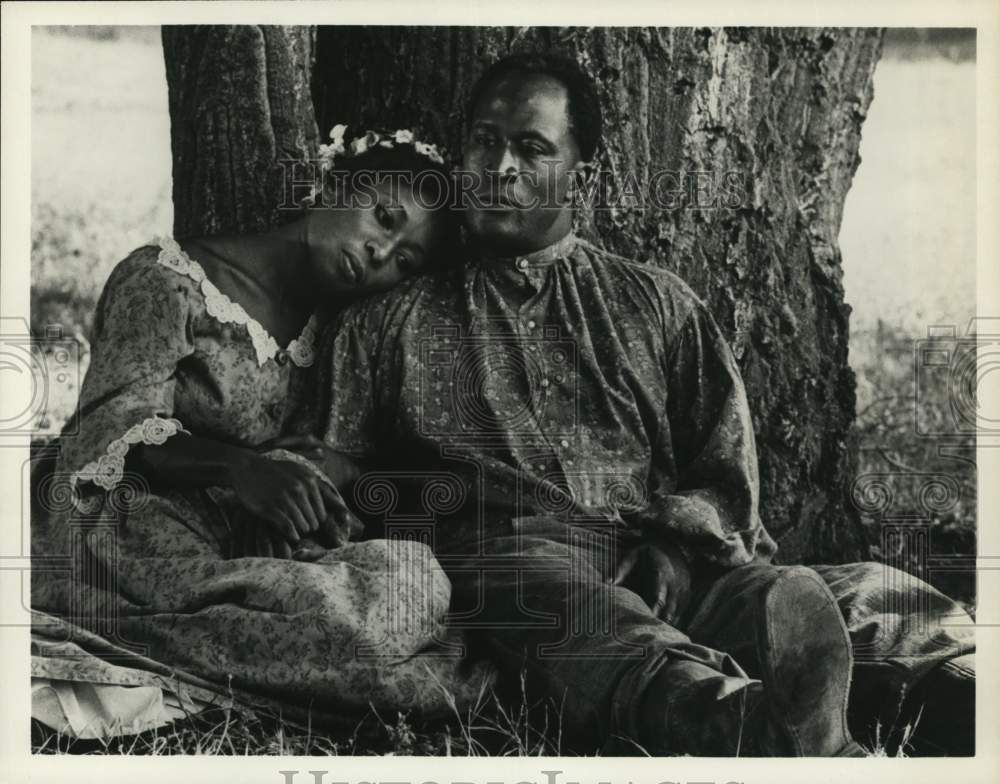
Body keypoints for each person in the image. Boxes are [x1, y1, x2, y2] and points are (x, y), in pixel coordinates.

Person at [317, 53, 976, 756]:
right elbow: (333, 470)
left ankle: (955, 697)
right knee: (567, 613)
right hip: (517, 563)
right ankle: (754, 730)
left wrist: (676, 547)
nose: (500, 166)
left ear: (584, 175)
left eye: (532, 148)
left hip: (668, 557)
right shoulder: (389, 323)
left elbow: (726, 472)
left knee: (842, 597)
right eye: (484, 140)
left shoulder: (656, 304)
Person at [30, 130, 492, 737]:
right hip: (124, 519)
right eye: (382, 217)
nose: (380, 253)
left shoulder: (337, 332)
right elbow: (110, 427)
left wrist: (280, 499)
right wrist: (240, 470)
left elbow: (311, 456)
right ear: (335, 186)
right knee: (348, 633)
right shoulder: (167, 280)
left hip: (240, 532)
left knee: (410, 579)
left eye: (403, 259)